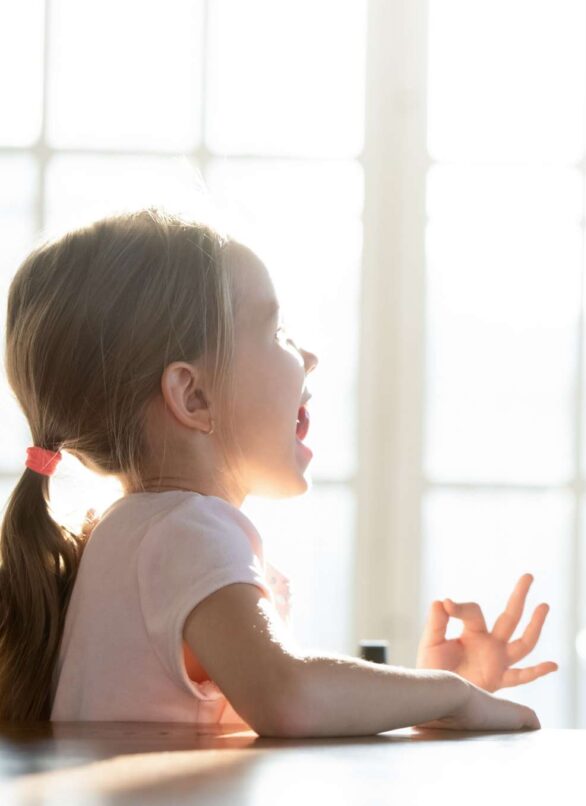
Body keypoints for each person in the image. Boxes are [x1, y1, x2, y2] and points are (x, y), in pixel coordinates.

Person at [0, 209, 557, 736]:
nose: (309, 356)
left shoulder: (136, 535)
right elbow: (290, 697)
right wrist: (450, 693)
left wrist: (431, 705)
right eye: (278, 332)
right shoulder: (186, 532)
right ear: (192, 395)